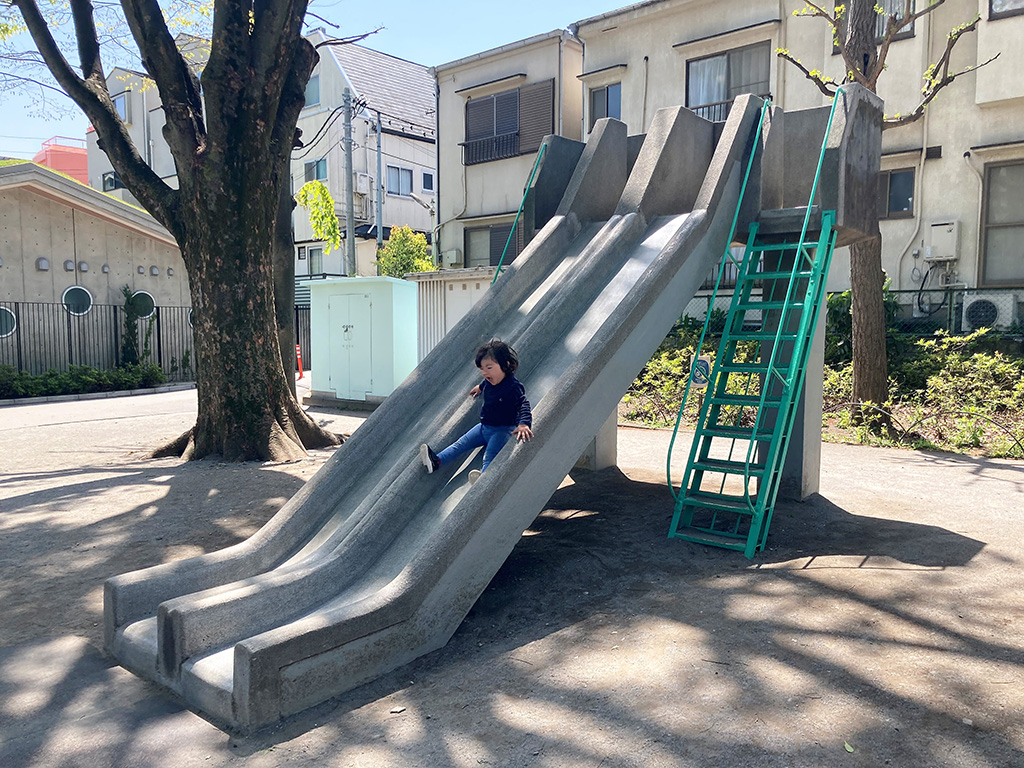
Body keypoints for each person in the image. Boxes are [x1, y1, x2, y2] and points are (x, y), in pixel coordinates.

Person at [420, 340, 533, 482]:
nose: (484, 372)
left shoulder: (513, 387)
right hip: (483, 427)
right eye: (482, 369)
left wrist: (523, 424)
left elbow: (524, 404)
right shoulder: (489, 382)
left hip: (501, 431)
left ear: (506, 365)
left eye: (489, 367)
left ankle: (483, 478)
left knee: (490, 456)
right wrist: (480, 387)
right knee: (459, 444)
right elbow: (486, 382)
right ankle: (436, 462)